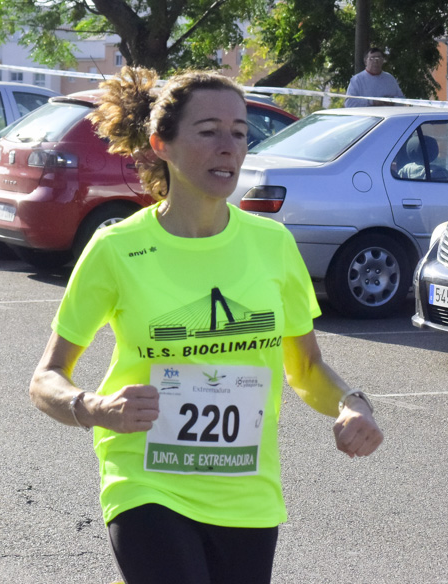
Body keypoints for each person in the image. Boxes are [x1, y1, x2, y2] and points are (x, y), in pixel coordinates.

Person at [28, 66, 384, 584]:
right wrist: (95, 408)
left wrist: (353, 403)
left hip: (246, 492)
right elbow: (46, 378)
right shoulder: (117, 248)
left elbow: (305, 367)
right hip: (146, 481)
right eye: (208, 131)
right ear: (161, 145)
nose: (228, 146)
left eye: (239, 132)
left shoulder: (272, 245)